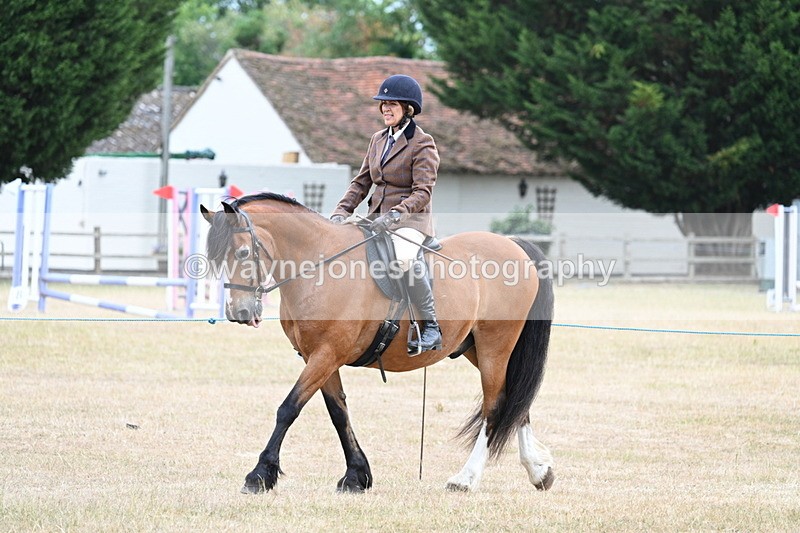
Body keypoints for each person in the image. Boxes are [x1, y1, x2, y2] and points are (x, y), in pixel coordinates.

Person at [330, 74, 442, 354]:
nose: (385, 110)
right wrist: (341, 212)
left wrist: (395, 215)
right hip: (376, 218)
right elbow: (361, 182)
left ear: (409, 109)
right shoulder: (377, 140)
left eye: (392, 104)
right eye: (383, 105)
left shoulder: (423, 143)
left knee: (404, 258)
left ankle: (431, 327)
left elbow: (423, 192)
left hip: (410, 220)